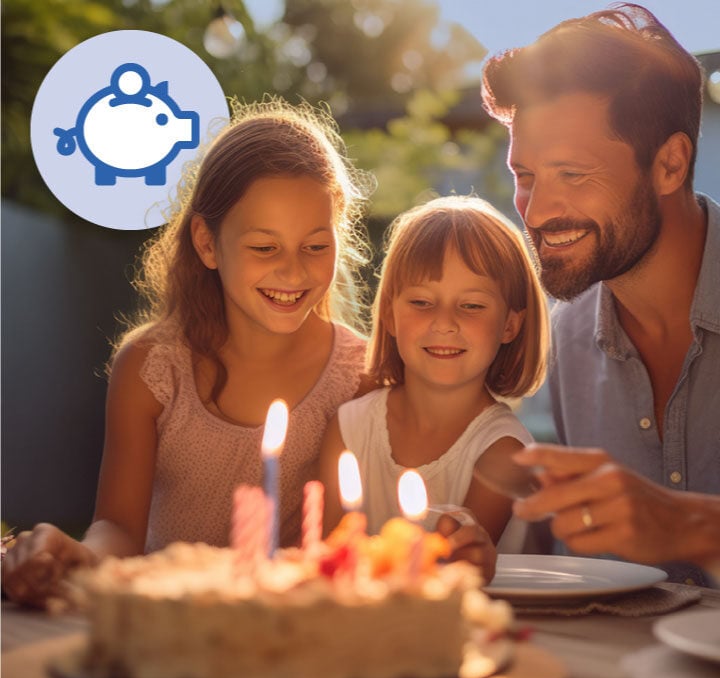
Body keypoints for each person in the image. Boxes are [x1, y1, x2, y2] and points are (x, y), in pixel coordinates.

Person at [2, 98, 376, 608]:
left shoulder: (362, 375)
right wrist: (74, 555)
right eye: (265, 247)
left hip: (289, 638)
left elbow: (345, 547)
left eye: (315, 246)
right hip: (164, 633)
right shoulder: (151, 367)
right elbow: (117, 529)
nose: (293, 272)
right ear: (206, 242)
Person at [481, 3, 720, 584]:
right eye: (525, 176)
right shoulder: (567, 334)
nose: (535, 213)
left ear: (669, 164)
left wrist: (693, 526)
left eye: (572, 174)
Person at [319, 195, 550, 583]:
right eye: (422, 302)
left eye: (472, 306)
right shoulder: (350, 427)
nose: (444, 322)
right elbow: (327, 558)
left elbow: (446, 580)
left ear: (511, 324)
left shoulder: (504, 452)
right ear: (390, 313)